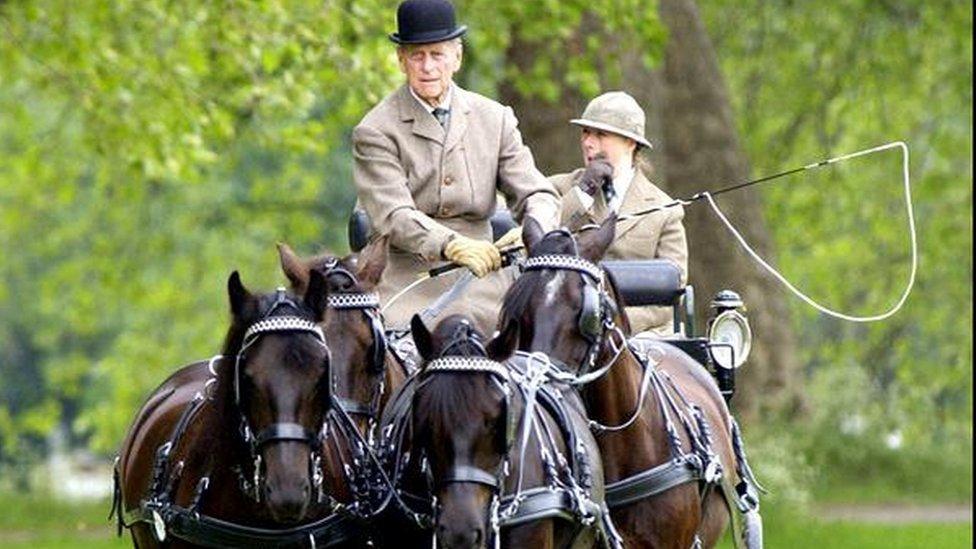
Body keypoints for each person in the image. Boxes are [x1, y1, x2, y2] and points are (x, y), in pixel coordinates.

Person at [353, 0, 559, 333]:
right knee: (398, 356)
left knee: (543, 344)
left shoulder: (496, 118)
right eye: (417, 56)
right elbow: (394, 215)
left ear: (457, 57)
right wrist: (451, 245)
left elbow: (537, 191)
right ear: (401, 60)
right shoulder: (375, 129)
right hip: (408, 279)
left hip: (487, 277)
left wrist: (535, 225)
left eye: (437, 55)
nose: (428, 67)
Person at [549, 91, 689, 335]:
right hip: (566, 328)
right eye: (585, 132)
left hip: (639, 336)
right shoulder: (558, 189)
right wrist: (582, 193)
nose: (588, 142)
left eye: (601, 135)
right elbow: (536, 235)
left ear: (630, 143)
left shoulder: (665, 210)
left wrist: (610, 320)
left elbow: (671, 293)